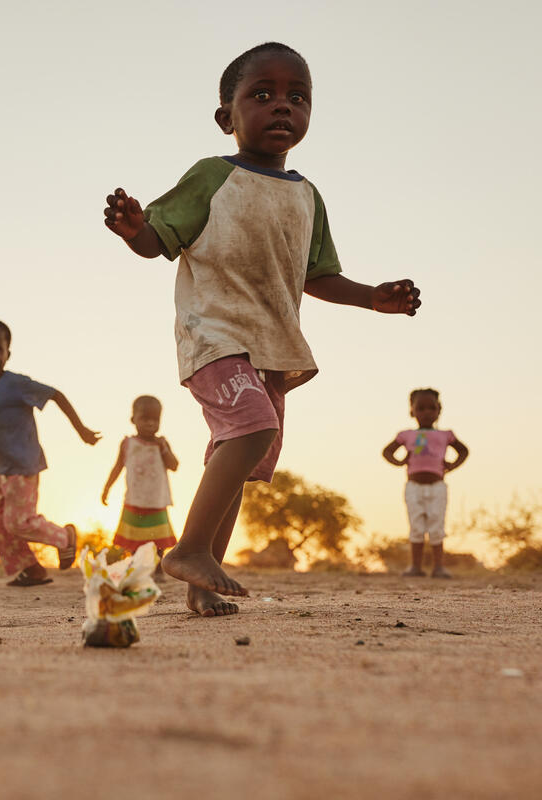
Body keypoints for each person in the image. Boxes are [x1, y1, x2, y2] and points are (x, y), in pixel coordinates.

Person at [103, 42, 421, 616]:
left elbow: (318, 276)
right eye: (263, 94)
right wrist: (133, 231)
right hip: (215, 336)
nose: (282, 107)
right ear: (227, 116)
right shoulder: (211, 177)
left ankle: (202, 580)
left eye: (297, 97)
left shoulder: (307, 196)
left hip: (272, 349)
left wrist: (374, 299)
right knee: (252, 427)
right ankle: (190, 550)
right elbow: (159, 242)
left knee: (241, 456)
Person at [0, 318, 100, 586]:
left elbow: (55, 395)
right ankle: (31, 569)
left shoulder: (16, 384)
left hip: (24, 466)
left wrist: (81, 429)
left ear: (7, 354)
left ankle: (65, 538)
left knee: (18, 521)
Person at [381, 388, 469, 578]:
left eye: (432, 408)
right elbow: (387, 451)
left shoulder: (446, 435)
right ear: (412, 411)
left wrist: (452, 465)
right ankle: (415, 567)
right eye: (421, 408)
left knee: (437, 524)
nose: (427, 412)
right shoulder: (406, 435)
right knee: (417, 525)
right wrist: (399, 462)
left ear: (439, 410)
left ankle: (438, 567)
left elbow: (463, 451)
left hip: (437, 487)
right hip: (413, 487)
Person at [101, 396, 179, 567]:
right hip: (134, 498)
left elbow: (174, 466)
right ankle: (136, 566)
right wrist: (107, 487)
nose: (151, 423)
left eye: (155, 419)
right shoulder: (128, 443)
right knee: (134, 537)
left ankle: (158, 567)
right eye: (145, 418)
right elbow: (117, 467)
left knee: (158, 537)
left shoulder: (162, 443)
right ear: (133, 419)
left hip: (156, 499)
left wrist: (163, 448)